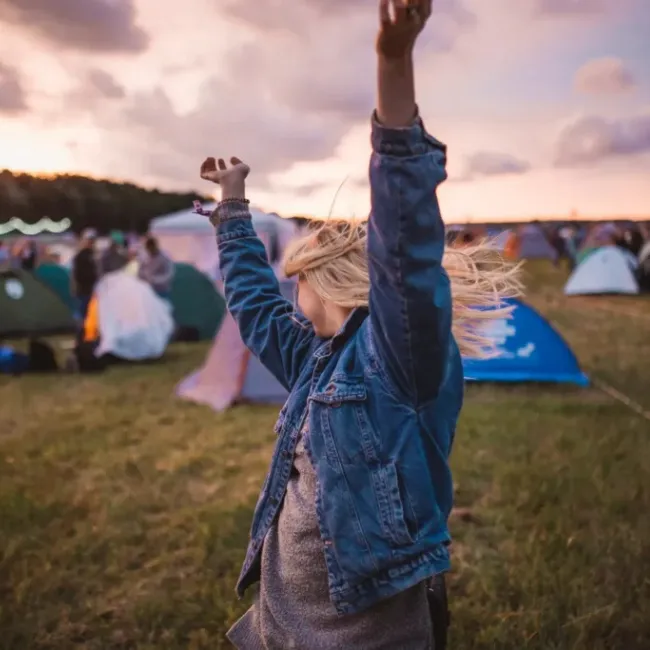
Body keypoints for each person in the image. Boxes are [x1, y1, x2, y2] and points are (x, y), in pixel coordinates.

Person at [200, 1, 520, 648]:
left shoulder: (397, 362)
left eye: (300, 277)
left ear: (333, 279)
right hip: (278, 627)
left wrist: (393, 63)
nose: (292, 291)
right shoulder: (317, 358)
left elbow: (405, 241)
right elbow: (255, 309)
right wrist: (233, 208)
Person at [71, 230, 99, 322]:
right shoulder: (81, 256)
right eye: (89, 241)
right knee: (83, 311)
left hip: (92, 289)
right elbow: (78, 274)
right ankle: (80, 330)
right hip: (84, 289)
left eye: (92, 241)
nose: (91, 243)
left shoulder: (93, 255)